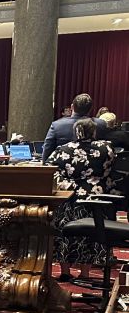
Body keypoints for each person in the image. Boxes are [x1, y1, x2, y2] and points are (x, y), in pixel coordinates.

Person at [49, 119, 117, 282]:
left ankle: (65, 272)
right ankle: (85, 274)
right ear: (94, 132)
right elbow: (111, 170)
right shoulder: (107, 148)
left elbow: (51, 170)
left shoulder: (62, 150)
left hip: (70, 198)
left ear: (75, 132)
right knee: (91, 235)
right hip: (96, 198)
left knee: (65, 233)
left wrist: (67, 185)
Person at [43, 93, 108, 161]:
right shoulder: (101, 124)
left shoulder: (57, 125)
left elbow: (47, 153)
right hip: (95, 165)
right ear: (91, 108)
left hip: (63, 165)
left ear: (72, 107)